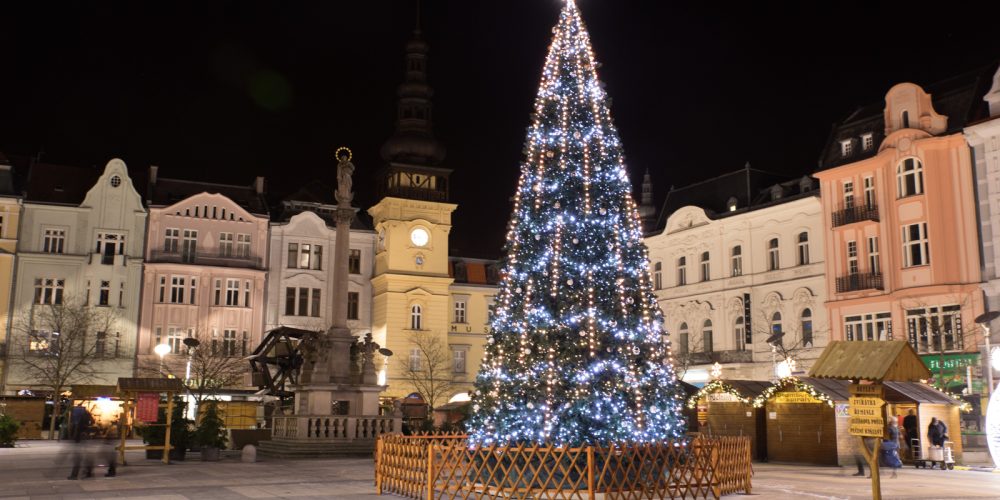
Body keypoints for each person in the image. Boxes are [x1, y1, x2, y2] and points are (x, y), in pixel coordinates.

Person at [67, 403, 95, 480]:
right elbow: (93, 421)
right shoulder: (86, 414)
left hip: (80, 439)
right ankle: (88, 472)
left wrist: (75, 439)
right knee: (87, 457)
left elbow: (77, 428)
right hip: (85, 438)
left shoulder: (78, 417)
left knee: (78, 458)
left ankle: (74, 475)